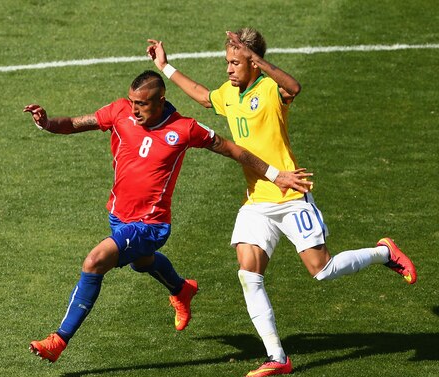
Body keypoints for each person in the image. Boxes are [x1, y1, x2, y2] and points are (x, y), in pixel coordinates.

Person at [147, 29, 417, 377]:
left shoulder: (270, 89)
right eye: (227, 62)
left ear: (253, 63)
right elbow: (202, 97)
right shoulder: (230, 93)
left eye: (236, 63)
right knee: (248, 273)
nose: (229, 70)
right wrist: (166, 67)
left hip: (290, 195)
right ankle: (277, 357)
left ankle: (385, 252)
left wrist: (258, 60)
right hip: (257, 201)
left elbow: (295, 88)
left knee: (322, 269)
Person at [23, 70, 313, 362]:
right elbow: (76, 123)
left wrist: (276, 175)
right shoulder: (120, 111)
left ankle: (59, 339)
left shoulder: (184, 128)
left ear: (161, 100)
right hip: (119, 216)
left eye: (143, 104)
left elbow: (233, 150)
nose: (135, 109)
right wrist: (47, 124)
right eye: (133, 101)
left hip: (150, 224)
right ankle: (181, 288)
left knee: (94, 261)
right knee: (141, 263)